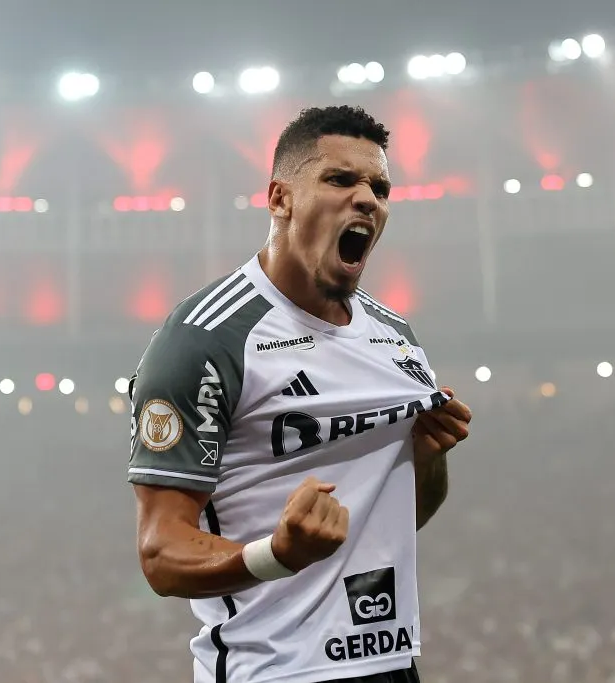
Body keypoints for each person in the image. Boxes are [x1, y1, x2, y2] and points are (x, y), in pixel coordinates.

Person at [126, 104, 472, 683]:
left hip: (390, 661)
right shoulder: (206, 339)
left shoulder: (396, 338)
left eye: (380, 188)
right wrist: (278, 553)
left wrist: (429, 457)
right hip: (273, 670)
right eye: (340, 179)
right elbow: (161, 553)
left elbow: (400, 515)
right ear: (280, 198)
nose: (367, 199)